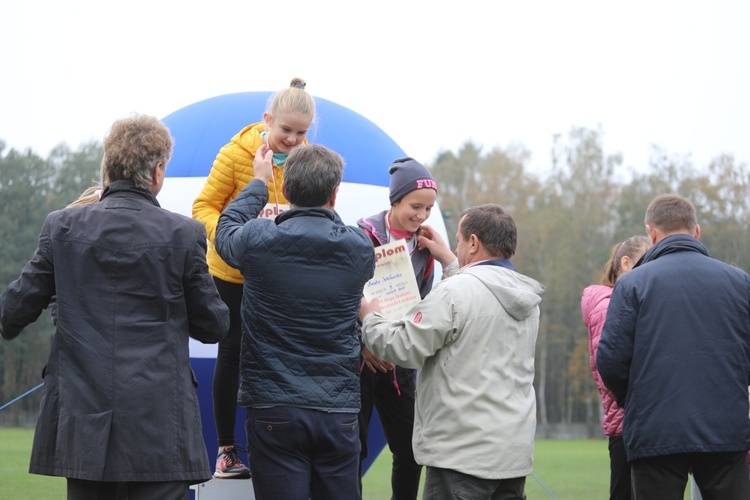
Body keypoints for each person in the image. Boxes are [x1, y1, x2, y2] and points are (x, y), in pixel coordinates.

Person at [0, 114, 230, 500]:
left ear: (107, 169)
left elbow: (11, 312)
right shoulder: (183, 233)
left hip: (85, 424)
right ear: (158, 172)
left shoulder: (62, 227)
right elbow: (213, 326)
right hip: (160, 424)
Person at [214, 143, 376, 499]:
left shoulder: (258, 238)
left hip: (275, 407)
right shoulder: (359, 247)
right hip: (339, 411)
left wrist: (258, 184)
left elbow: (224, 230)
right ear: (335, 194)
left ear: (284, 190)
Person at [360, 204, 545, 500]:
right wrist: (448, 258)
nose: (455, 247)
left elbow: (403, 345)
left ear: (473, 243)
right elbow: (482, 292)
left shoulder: (453, 293)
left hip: (461, 455)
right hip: (512, 453)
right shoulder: (525, 297)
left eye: (458, 241)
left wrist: (370, 317)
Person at [192, 77, 315, 479]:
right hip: (230, 274)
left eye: (301, 133)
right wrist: (232, 240)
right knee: (232, 355)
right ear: (267, 120)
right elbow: (204, 206)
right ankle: (227, 451)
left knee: (273, 361)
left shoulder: (308, 158)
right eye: (286, 131)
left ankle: (271, 449)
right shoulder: (235, 153)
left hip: (277, 277)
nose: (293, 140)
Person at [597, 194, 750, 499]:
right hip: (725, 430)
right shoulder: (740, 283)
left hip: (656, 430)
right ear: (697, 231)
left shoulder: (632, 285)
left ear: (651, 233)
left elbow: (610, 361)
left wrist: (640, 400)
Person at [356, 157, 439, 499]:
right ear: (395, 201)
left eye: (429, 209)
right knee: (352, 452)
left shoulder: (425, 250)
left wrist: (402, 346)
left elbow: (423, 304)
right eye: (415, 206)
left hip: (397, 363)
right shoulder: (362, 235)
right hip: (360, 361)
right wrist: (364, 344)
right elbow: (344, 292)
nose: (421, 216)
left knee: (410, 450)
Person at [580, 235, 651, 500]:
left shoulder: (622, 301)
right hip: (627, 422)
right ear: (625, 263)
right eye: (645, 263)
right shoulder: (609, 304)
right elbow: (609, 367)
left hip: (630, 420)